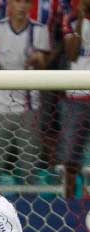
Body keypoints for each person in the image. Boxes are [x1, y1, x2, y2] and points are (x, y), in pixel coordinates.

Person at [0, 0, 49, 183]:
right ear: (9, 4)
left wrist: (39, 61)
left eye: (26, 2)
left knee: (29, 170)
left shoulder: (39, 30)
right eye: (17, 1)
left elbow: (45, 74)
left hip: (28, 110)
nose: (21, 6)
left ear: (30, 6)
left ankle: (30, 208)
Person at [59, 2, 90, 198]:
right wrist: (80, 20)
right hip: (76, 97)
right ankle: (68, 206)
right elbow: (71, 53)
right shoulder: (70, 19)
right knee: (70, 159)